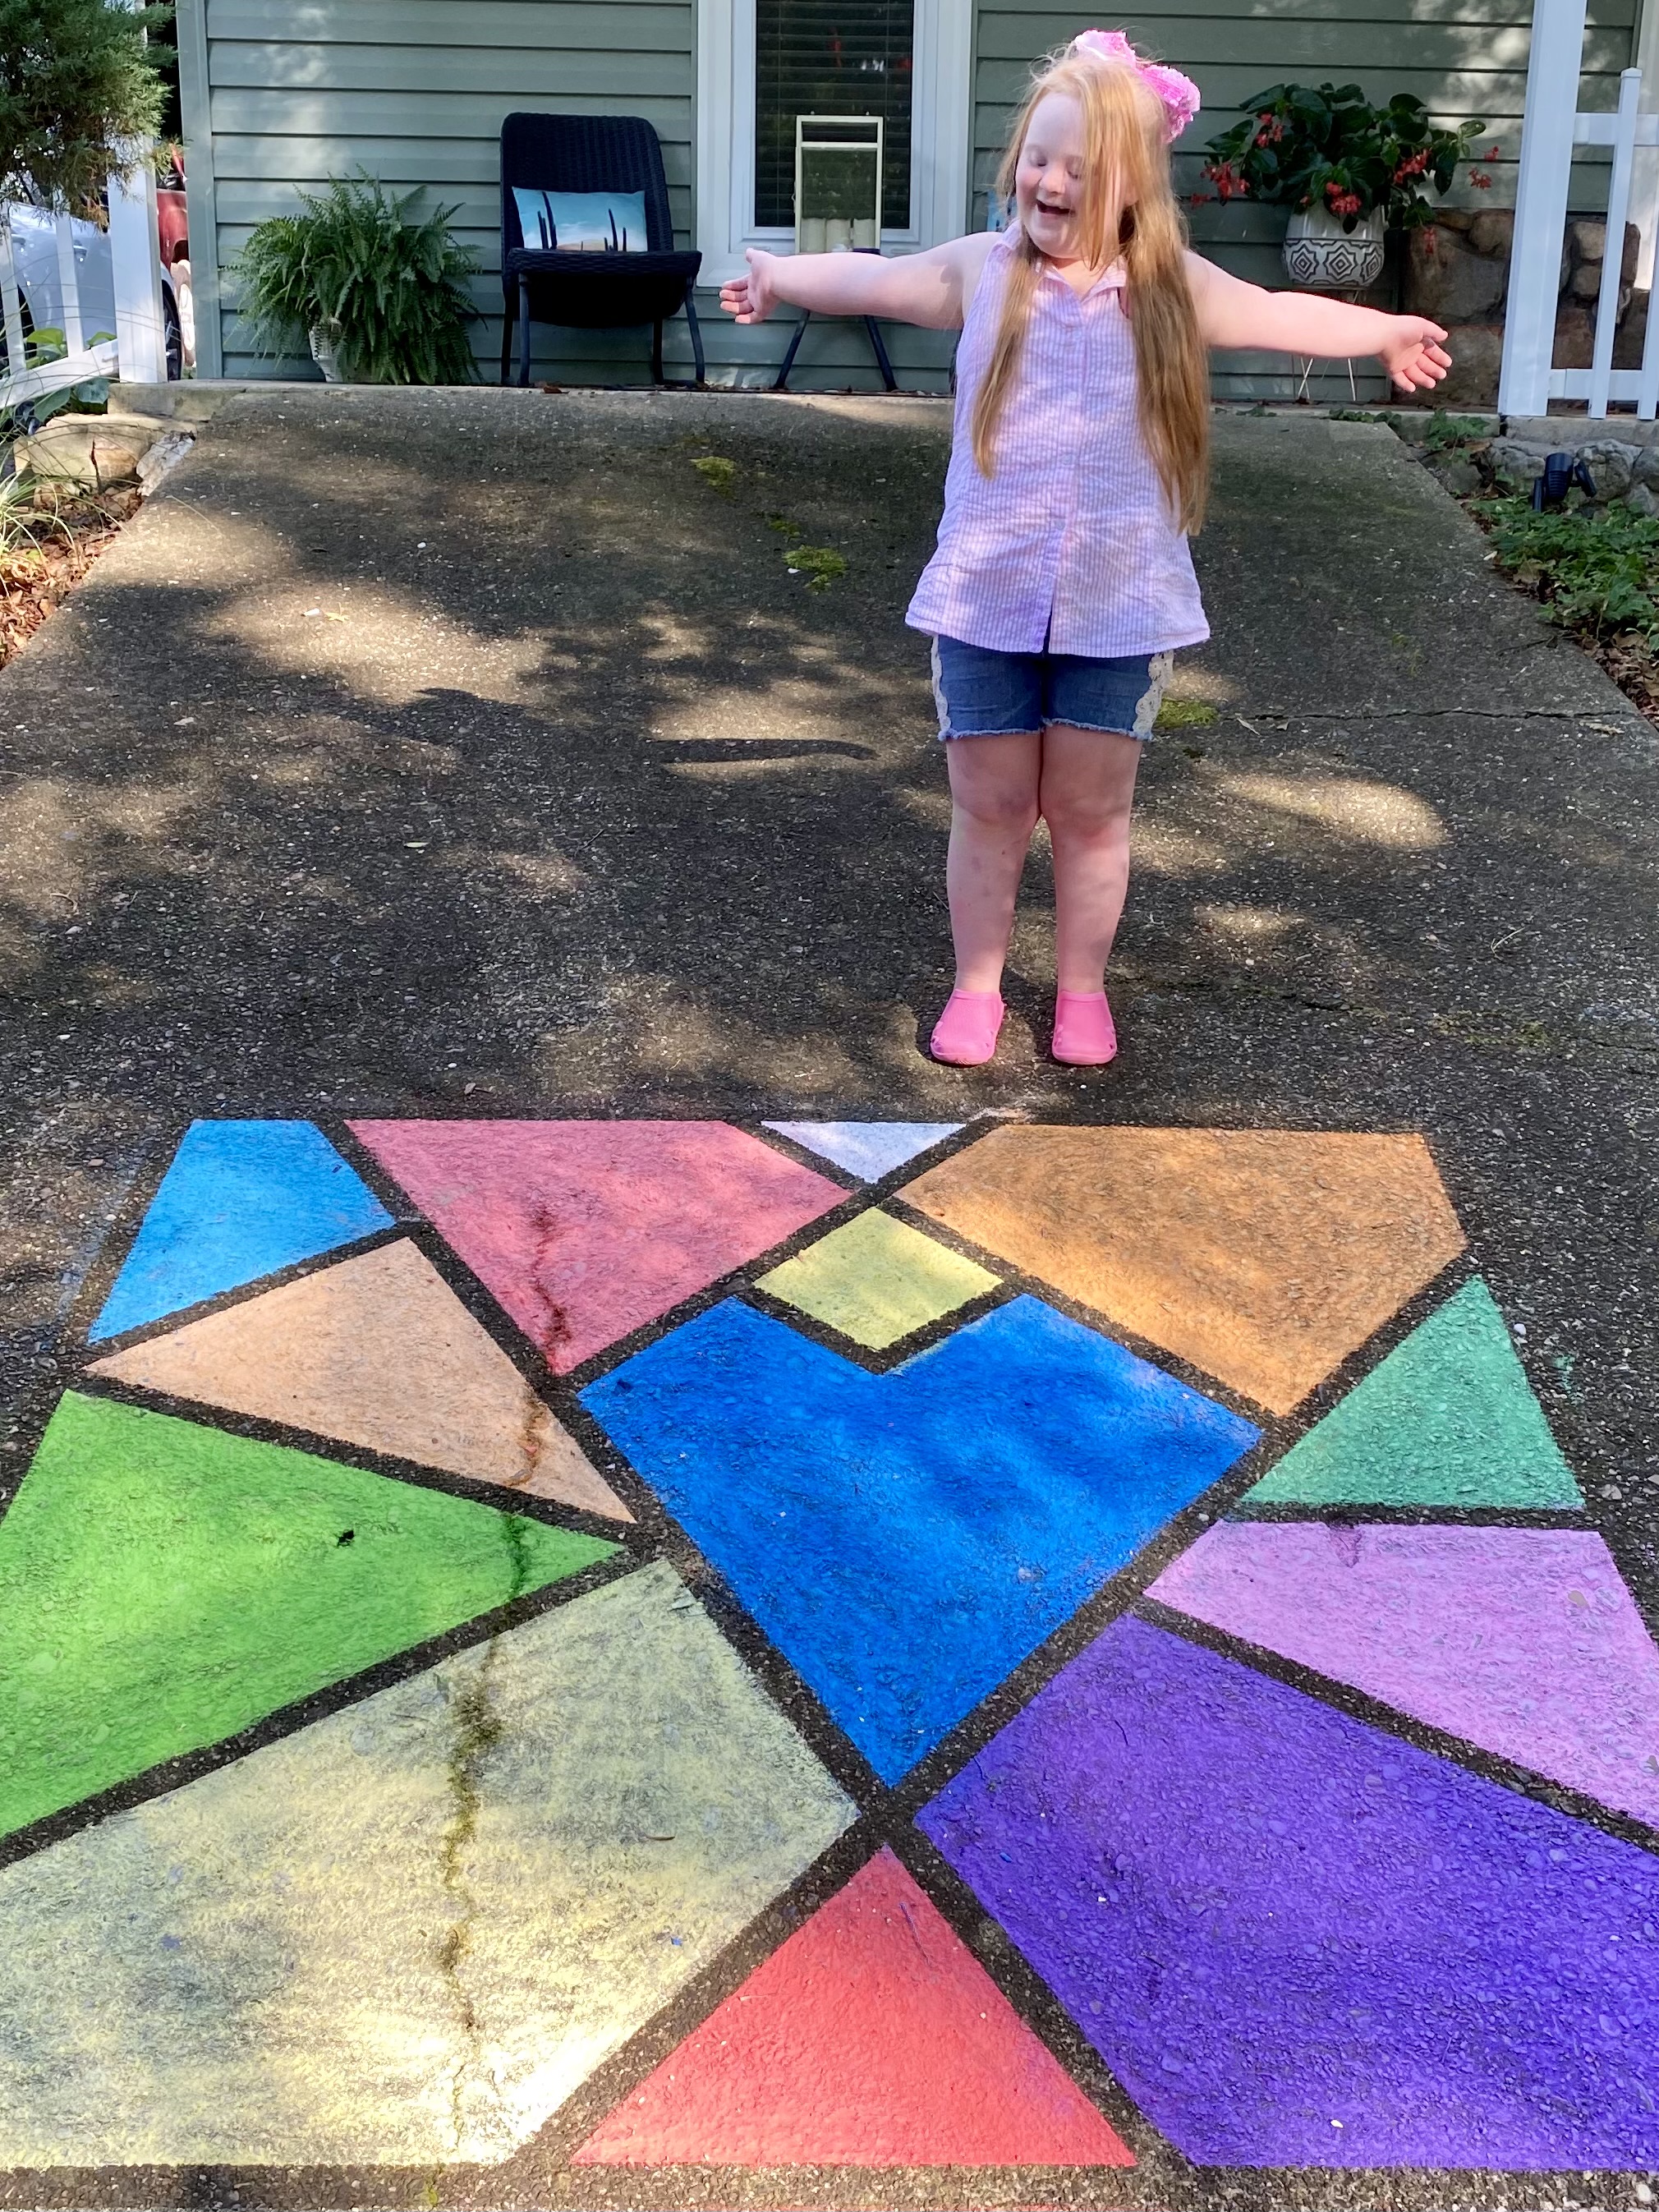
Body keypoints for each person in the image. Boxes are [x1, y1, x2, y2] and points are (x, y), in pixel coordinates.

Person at [720, 31, 1452, 1066]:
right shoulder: (985, 272)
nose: (1050, 181)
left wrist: (1378, 335)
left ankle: (1081, 991)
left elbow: (1276, 311)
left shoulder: (1168, 289)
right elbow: (880, 278)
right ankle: (976, 984)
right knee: (990, 805)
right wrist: (782, 274)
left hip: (1119, 605)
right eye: (1037, 157)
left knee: (1091, 813)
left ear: (1127, 189)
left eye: (1078, 168)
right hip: (986, 597)